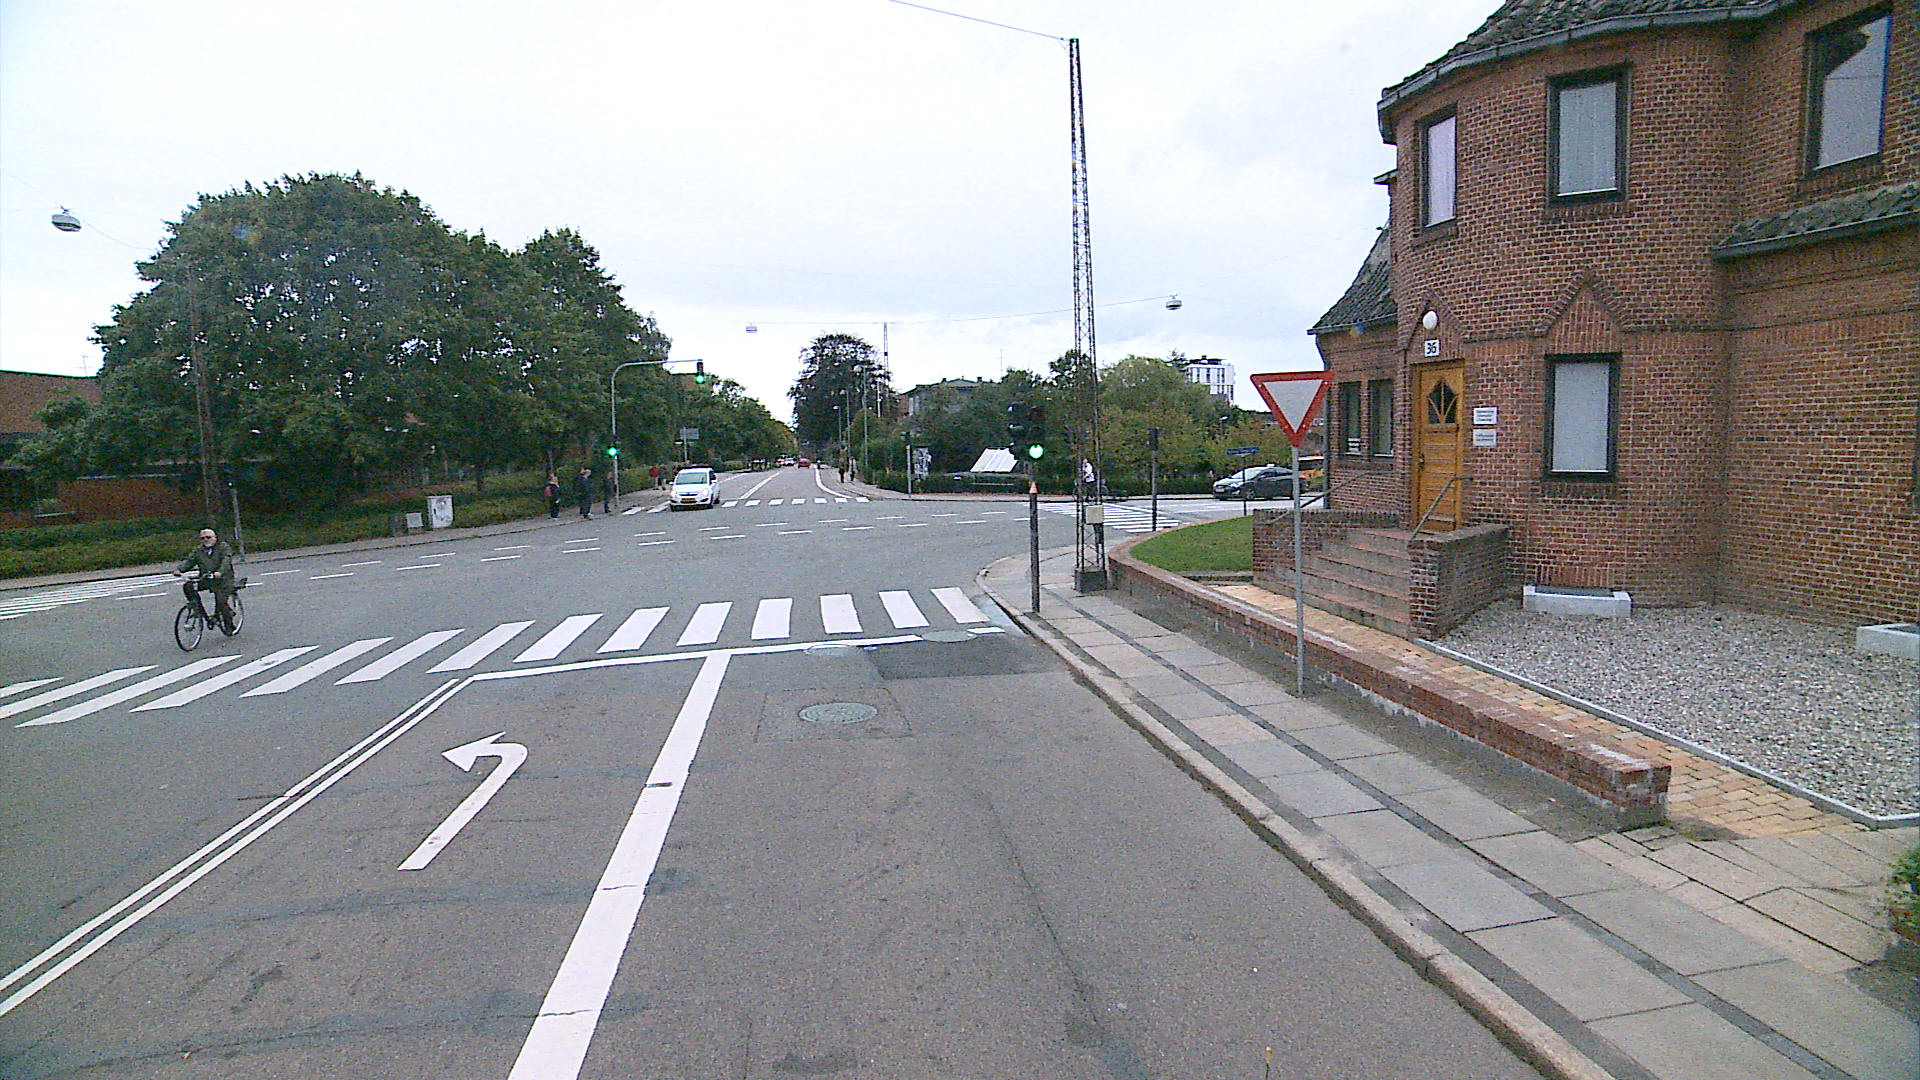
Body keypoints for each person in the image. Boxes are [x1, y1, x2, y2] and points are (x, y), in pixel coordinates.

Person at [173, 527, 237, 626]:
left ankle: (229, 626)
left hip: (223, 580)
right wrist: (179, 569)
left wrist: (220, 572)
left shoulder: (223, 547)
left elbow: (226, 561)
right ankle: (197, 609)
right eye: (202, 538)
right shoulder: (199, 550)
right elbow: (190, 561)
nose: (205, 540)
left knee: (221, 601)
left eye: (208, 537)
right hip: (206, 578)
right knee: (188, 586)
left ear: (215, 538)